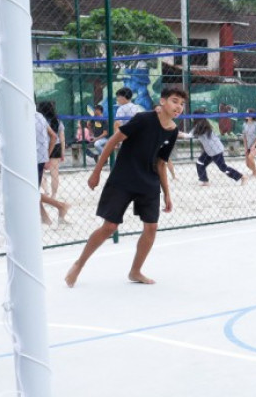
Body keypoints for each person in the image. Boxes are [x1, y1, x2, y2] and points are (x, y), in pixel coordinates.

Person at [64, 86, 186, 287]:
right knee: (109, 227)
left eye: (182, 104)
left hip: (149, 182)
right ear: (162, 101)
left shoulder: (173, 131)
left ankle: (135, 271)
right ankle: (79, 264)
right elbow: (113, 141)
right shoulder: (143, 119)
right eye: (175, 101)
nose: (179, 107)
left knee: (151, 227)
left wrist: (167, 193)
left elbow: (161, 163)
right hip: (124, 178)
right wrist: (96, 172)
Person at [186, 115, 247, 186]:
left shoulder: (201, 126)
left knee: (223, 168)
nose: (193, 119)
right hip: (209, 151)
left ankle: (242, 177)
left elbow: (188, 135)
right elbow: (190, 135)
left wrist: (177, 133)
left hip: (216, 151)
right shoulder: (202, 125)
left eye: (194, 117)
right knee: (200, 163)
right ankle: (204, 181)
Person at [34, 107, 69, 225]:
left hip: (34, 156)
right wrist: (47, 156)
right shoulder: (41, 118)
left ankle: (60, 205)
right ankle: (45, 217)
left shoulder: (33, 118)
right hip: (48, 151)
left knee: (31, 190)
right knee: (54, 174)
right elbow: (58, 137)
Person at [37, 101, 64, 198]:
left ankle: (46, 191)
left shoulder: (39, 121)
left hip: (42, 147)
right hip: (56, 147)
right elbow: (62, 138)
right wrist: (62, 152)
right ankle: (54, 195)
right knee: (55, 173)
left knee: (40, 170)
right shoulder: (58, 121)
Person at [242, 109, 256, 177]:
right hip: (248, 146)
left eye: (247, 113)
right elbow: (244, 137)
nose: (246, 114)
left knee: (250, 157)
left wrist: (254, 145)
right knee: (247, 164)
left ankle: (255, 173)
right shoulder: (244, 124)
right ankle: (255, 171)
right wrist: (245, 148)